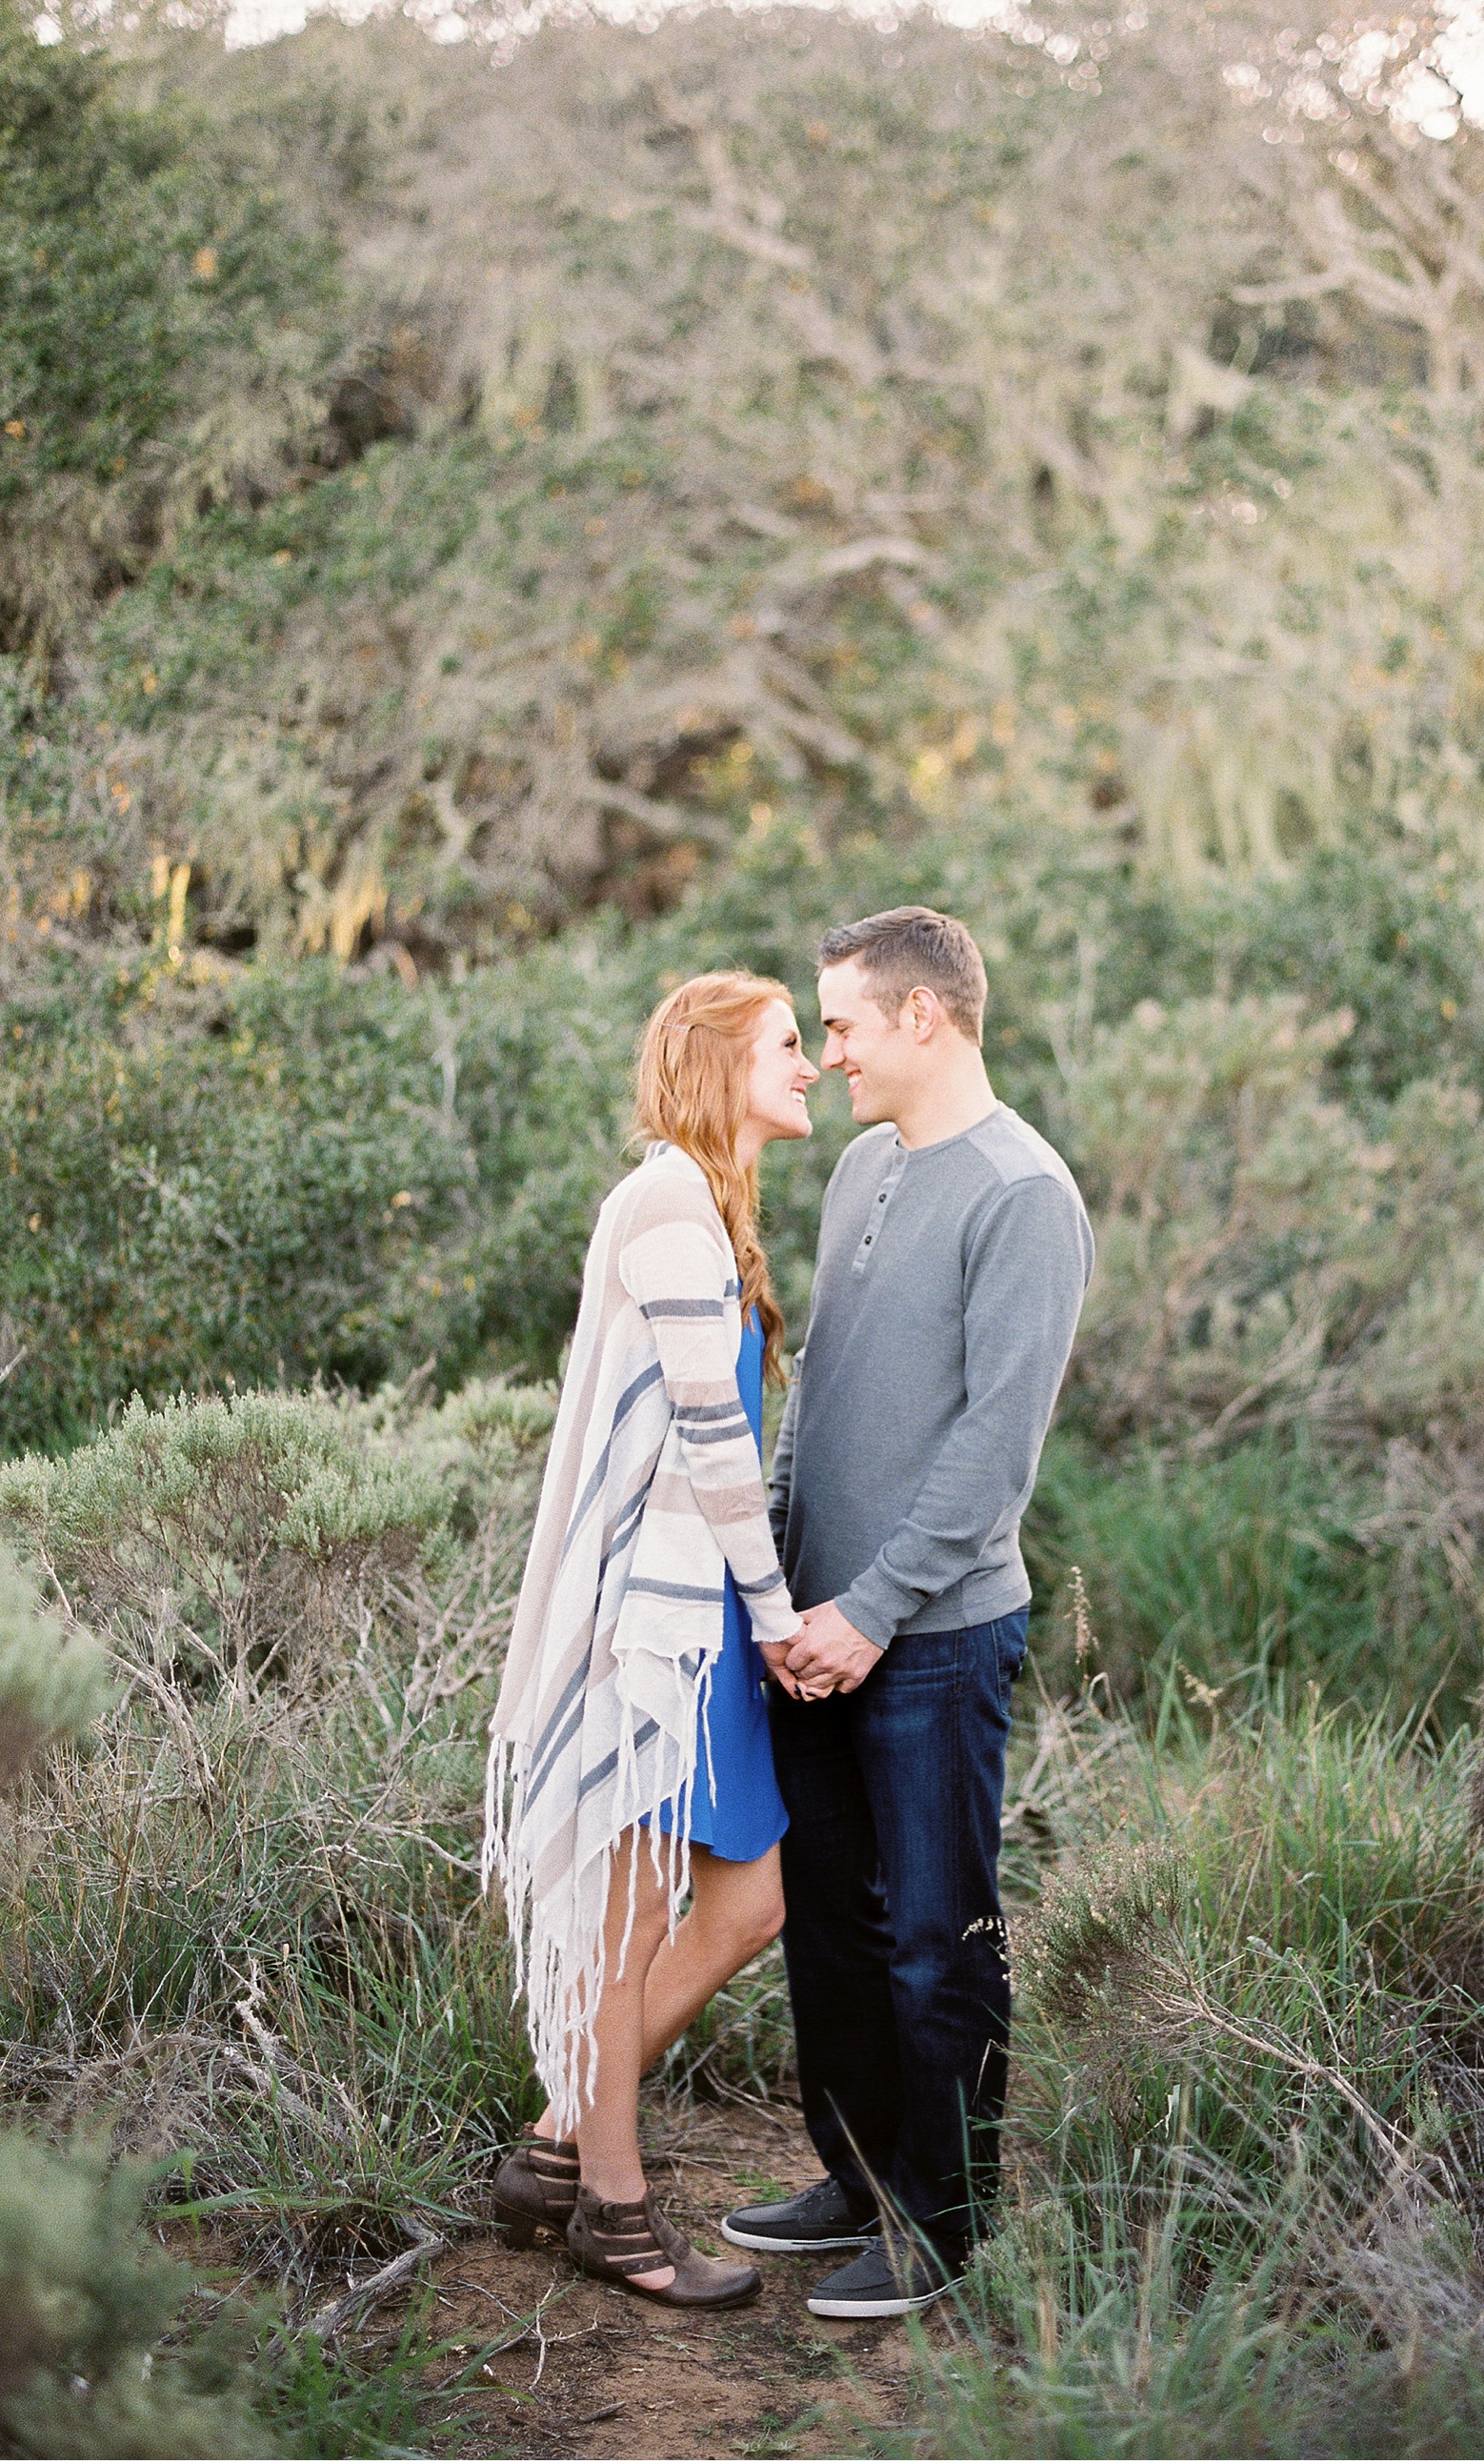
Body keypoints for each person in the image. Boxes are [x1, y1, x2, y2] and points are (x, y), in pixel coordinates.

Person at [721, 907, 1094, 2319]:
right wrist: (783, 1578)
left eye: (846, 1024)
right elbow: (824, 1381)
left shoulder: (1026, 1194)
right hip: (814, 1627)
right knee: (831, 1920)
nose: (831, 1055)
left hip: (932, 1639)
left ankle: (943, 2223)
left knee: (942, 1934)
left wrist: (871, 1611)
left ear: (923, 1016)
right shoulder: (866, 1164)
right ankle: (857, 2173)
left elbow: (995, 1453)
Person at [483, 972, 821, 2310]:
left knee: (748, 1900)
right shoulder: (671, 1210)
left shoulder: (705, 1207)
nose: (809, 1067)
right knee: (624, 1924)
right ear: (723, 1063)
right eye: (791, 1046)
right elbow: (711, 1442)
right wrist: (782, 1615)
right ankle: (614, 2212)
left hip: (706, 1629)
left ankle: (563, 2136)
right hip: (657, 1635)